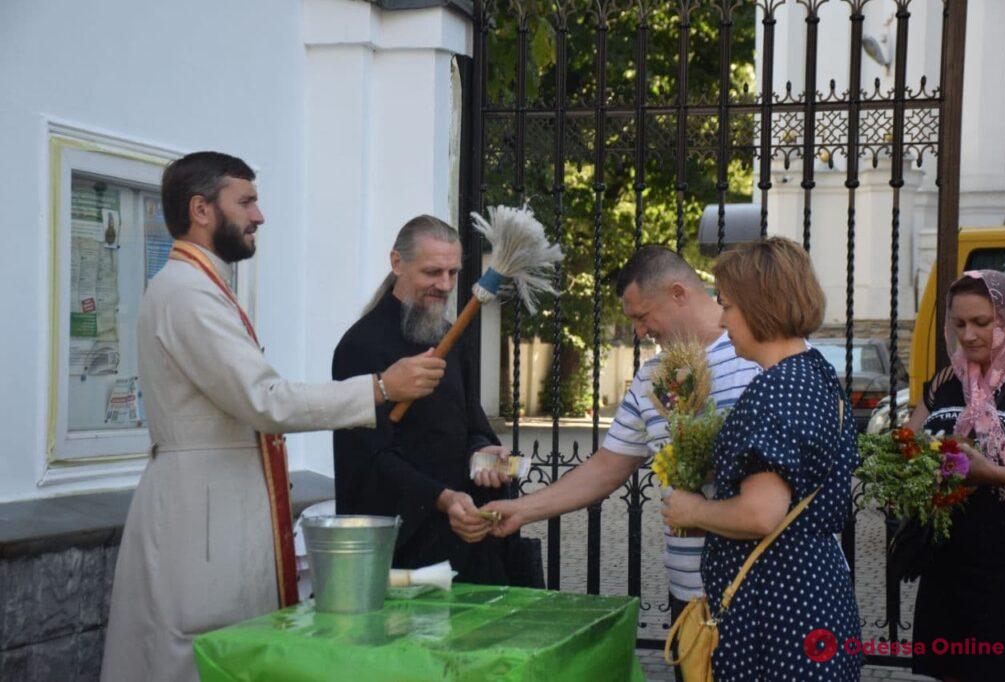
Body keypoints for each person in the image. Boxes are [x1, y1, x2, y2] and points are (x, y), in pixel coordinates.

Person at [101, 152, 445, 682]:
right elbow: (264, 400)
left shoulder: (200, 287)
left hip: (214, 504)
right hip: (201, 517)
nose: (259, 215)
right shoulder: (187, 294)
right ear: (201, 209)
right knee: (199, 657)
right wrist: (379, 388)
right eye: (246, 201)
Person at [482, 244, 760, 680]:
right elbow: (607, 466)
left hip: (758, 590)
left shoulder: (759, 359)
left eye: (642, 316)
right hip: (688, 594)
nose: (639, 331)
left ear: (678, 293)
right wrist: (522, 510)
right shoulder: (653, 376)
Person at [660, 237, 861, 681]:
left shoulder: (779, 389)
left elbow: (760, 513)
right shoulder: (815, 373)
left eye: (727, 305)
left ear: (759, 306)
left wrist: (695, 509)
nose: (721, 317)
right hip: (810, 599)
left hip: (779, 615)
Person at [332, 215, 515, 585]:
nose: (444, 285)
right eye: (432, 272)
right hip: (403, 545)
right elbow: (369, 457)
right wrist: (441, 497)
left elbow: (468, 424)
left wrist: (484, 453)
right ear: (397, 263)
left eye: (452, 273)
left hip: (462, 532)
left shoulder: (450, 336)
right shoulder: (360, 346)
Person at [906, 270, 1005, 681]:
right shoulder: (946, 381)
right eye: (959, 324)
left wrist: (991, 473)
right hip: (946, 573)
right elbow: (906, 443)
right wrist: (910, 472)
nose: (968, 335)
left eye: (982, 322)